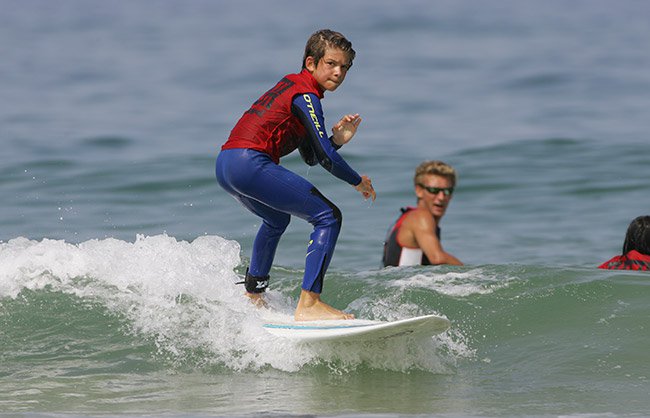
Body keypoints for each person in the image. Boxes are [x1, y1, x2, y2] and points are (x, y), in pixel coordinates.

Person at [216, 29, 376, 321]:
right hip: (249, 162)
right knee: (328, 216)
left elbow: (311, 157)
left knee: (276, 218)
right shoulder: (306, 96)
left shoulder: (294, 87)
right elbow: (326, 159)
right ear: (311, 62)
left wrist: (337, 139)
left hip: (227, 164)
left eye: (345, 67)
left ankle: (253, 295)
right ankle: (310, 304)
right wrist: (357, 181)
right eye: (332, 64)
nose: (339, 72)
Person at [383, 160, 462, 267]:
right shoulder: (421, 217)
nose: (441, 197)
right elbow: (437, 258)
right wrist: (475, 275)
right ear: (419, 190)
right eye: (434, 190)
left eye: (447, 191)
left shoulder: (408, 217)